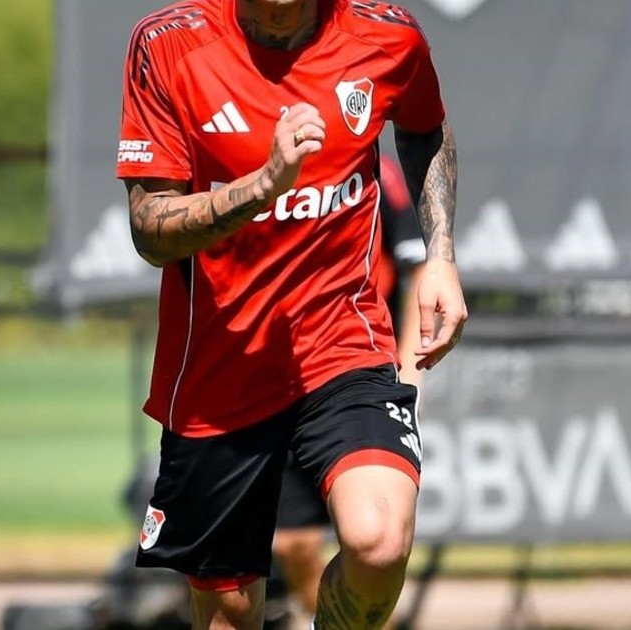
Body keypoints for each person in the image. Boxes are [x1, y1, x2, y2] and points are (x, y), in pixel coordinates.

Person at [116, 0, 464, 627]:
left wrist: (440, 253)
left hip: (343, 344)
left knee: (379, 542)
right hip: (220, 369)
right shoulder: (168, 44)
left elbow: (424, 128)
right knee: (228, 608)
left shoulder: (386, 35)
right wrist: (263, 185)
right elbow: (150, 230)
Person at [270, 152, 426, 628]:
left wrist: (410, 374)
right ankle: (314, 617)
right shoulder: (252, 155)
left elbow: (419, 270)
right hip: (270, 381)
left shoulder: (376, 170)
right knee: (292, 542)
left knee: (377, 543)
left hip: (357, 374)